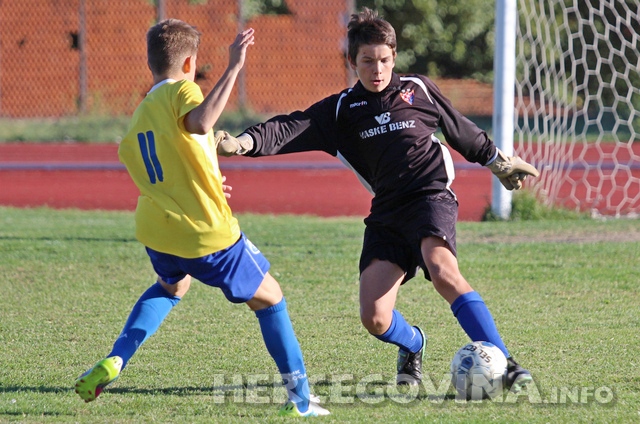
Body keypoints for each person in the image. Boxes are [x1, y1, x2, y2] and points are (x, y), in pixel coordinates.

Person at [216, 8, 539, 393]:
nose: (377, 69)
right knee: (374, 318)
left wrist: (498, 161)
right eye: (367, 61)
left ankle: (505, 362)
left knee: (443, 271)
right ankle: (414, 344)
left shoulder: (417, 89)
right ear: (352, 62)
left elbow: (461, 130)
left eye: (384, 59)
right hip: (387, 211)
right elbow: (289, 128)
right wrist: (243, 143)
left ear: (394, 58)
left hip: (430, 197)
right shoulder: (341, 111)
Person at [73, 19, 329, 417]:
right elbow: (201, 123)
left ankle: (117, 358)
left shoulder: (142, 113)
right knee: (271, 299)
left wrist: (205, 183)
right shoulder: (184, 90)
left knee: (172, 289)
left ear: (151, 63)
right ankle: (301, 401)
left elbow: (170, 165)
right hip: (206, 235)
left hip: (158, 234)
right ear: (190, 62)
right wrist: (233, 67)